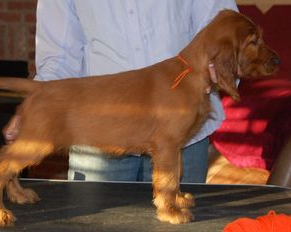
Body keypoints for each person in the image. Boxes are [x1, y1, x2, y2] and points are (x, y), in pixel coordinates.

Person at [34, 0, 238, 183]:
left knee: (180, 224)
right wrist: (38, 107)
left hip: (182, 136)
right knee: (96, 225)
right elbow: (59, 57)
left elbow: (227, 28)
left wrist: (220, 68)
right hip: (100, 134)